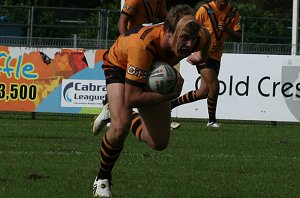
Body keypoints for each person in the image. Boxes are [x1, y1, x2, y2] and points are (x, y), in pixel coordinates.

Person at [92, 4, 211, 197]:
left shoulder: (197, 35)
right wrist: (171, 95)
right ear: (168, 32)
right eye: (184, 38)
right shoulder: (142, 47)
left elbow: (207, 39)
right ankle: (103, 180)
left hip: (151, 67)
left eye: (193, 40)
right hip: (120, 65)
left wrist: (201, 56)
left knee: (159, 142)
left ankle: (117, 111)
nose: (190, 45)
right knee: (120, 126)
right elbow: (132, 98)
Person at [92, 0, 167, 135]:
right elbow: (122, 21)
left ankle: (110, 109)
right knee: (133, 86)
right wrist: (126, 41)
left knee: (142, 83)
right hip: (133, 46)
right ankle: (113, 111)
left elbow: (163, 20)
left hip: (149, 44)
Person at [170, 0, 242, 129]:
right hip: (203, 52)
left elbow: (238, 37)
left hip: (217, 55)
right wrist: (193, 50)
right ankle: (211, 120)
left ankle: (172, 104)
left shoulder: (233, 12)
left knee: (203, 92)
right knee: (214, 86)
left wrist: (227, 29)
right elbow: (192, 29)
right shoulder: (205, 10)